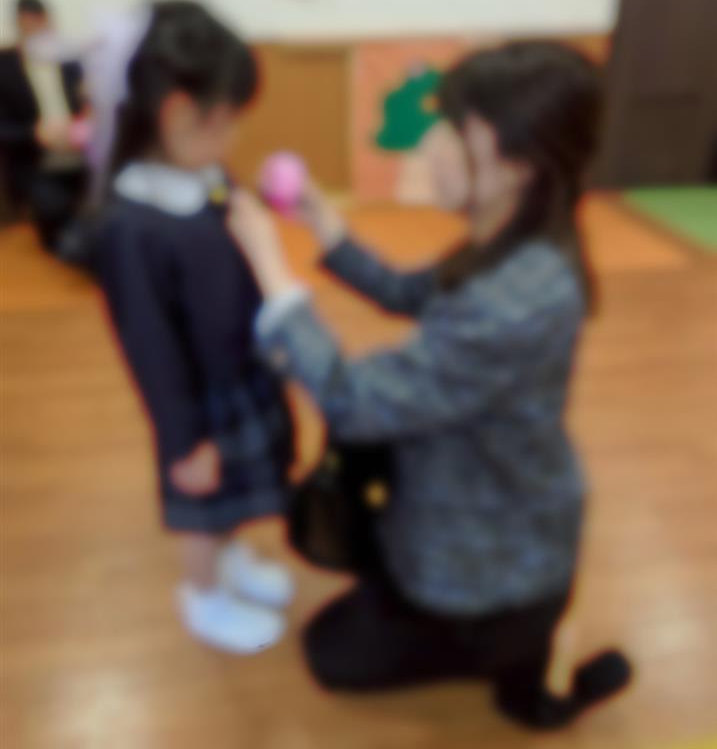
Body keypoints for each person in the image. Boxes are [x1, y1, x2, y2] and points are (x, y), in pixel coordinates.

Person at [228, 42, 631, 728]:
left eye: (455, 132)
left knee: (329, 655)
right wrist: (323, 224)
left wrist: (271, 268)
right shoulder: (513, 241)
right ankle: (518, 649)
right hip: (473, 499)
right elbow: (406, 290)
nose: (430, 146)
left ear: (518, 164)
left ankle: (518, 656)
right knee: (358, 597)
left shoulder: (517, 297)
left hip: (496, 555)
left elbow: (352, 401)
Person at [96, 1, 295, 654]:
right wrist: (184, 440)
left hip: (239, 371)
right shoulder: (132, 224)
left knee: (234, 491)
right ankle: (202, 596)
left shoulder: (203, 175)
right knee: (202, 505)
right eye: (227, 120)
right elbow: (148, 345)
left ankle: (229, 561)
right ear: (179, 113)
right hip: (194, 400)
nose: (234, 138)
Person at [0, 0, 88, 248]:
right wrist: (35, 133)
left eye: (40, 23)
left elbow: (88, 106)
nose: (36, 30)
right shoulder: (5, 67)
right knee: (55, 226)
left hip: (81, 155)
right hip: (37, 162)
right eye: (28, 24)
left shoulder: (69, 61)